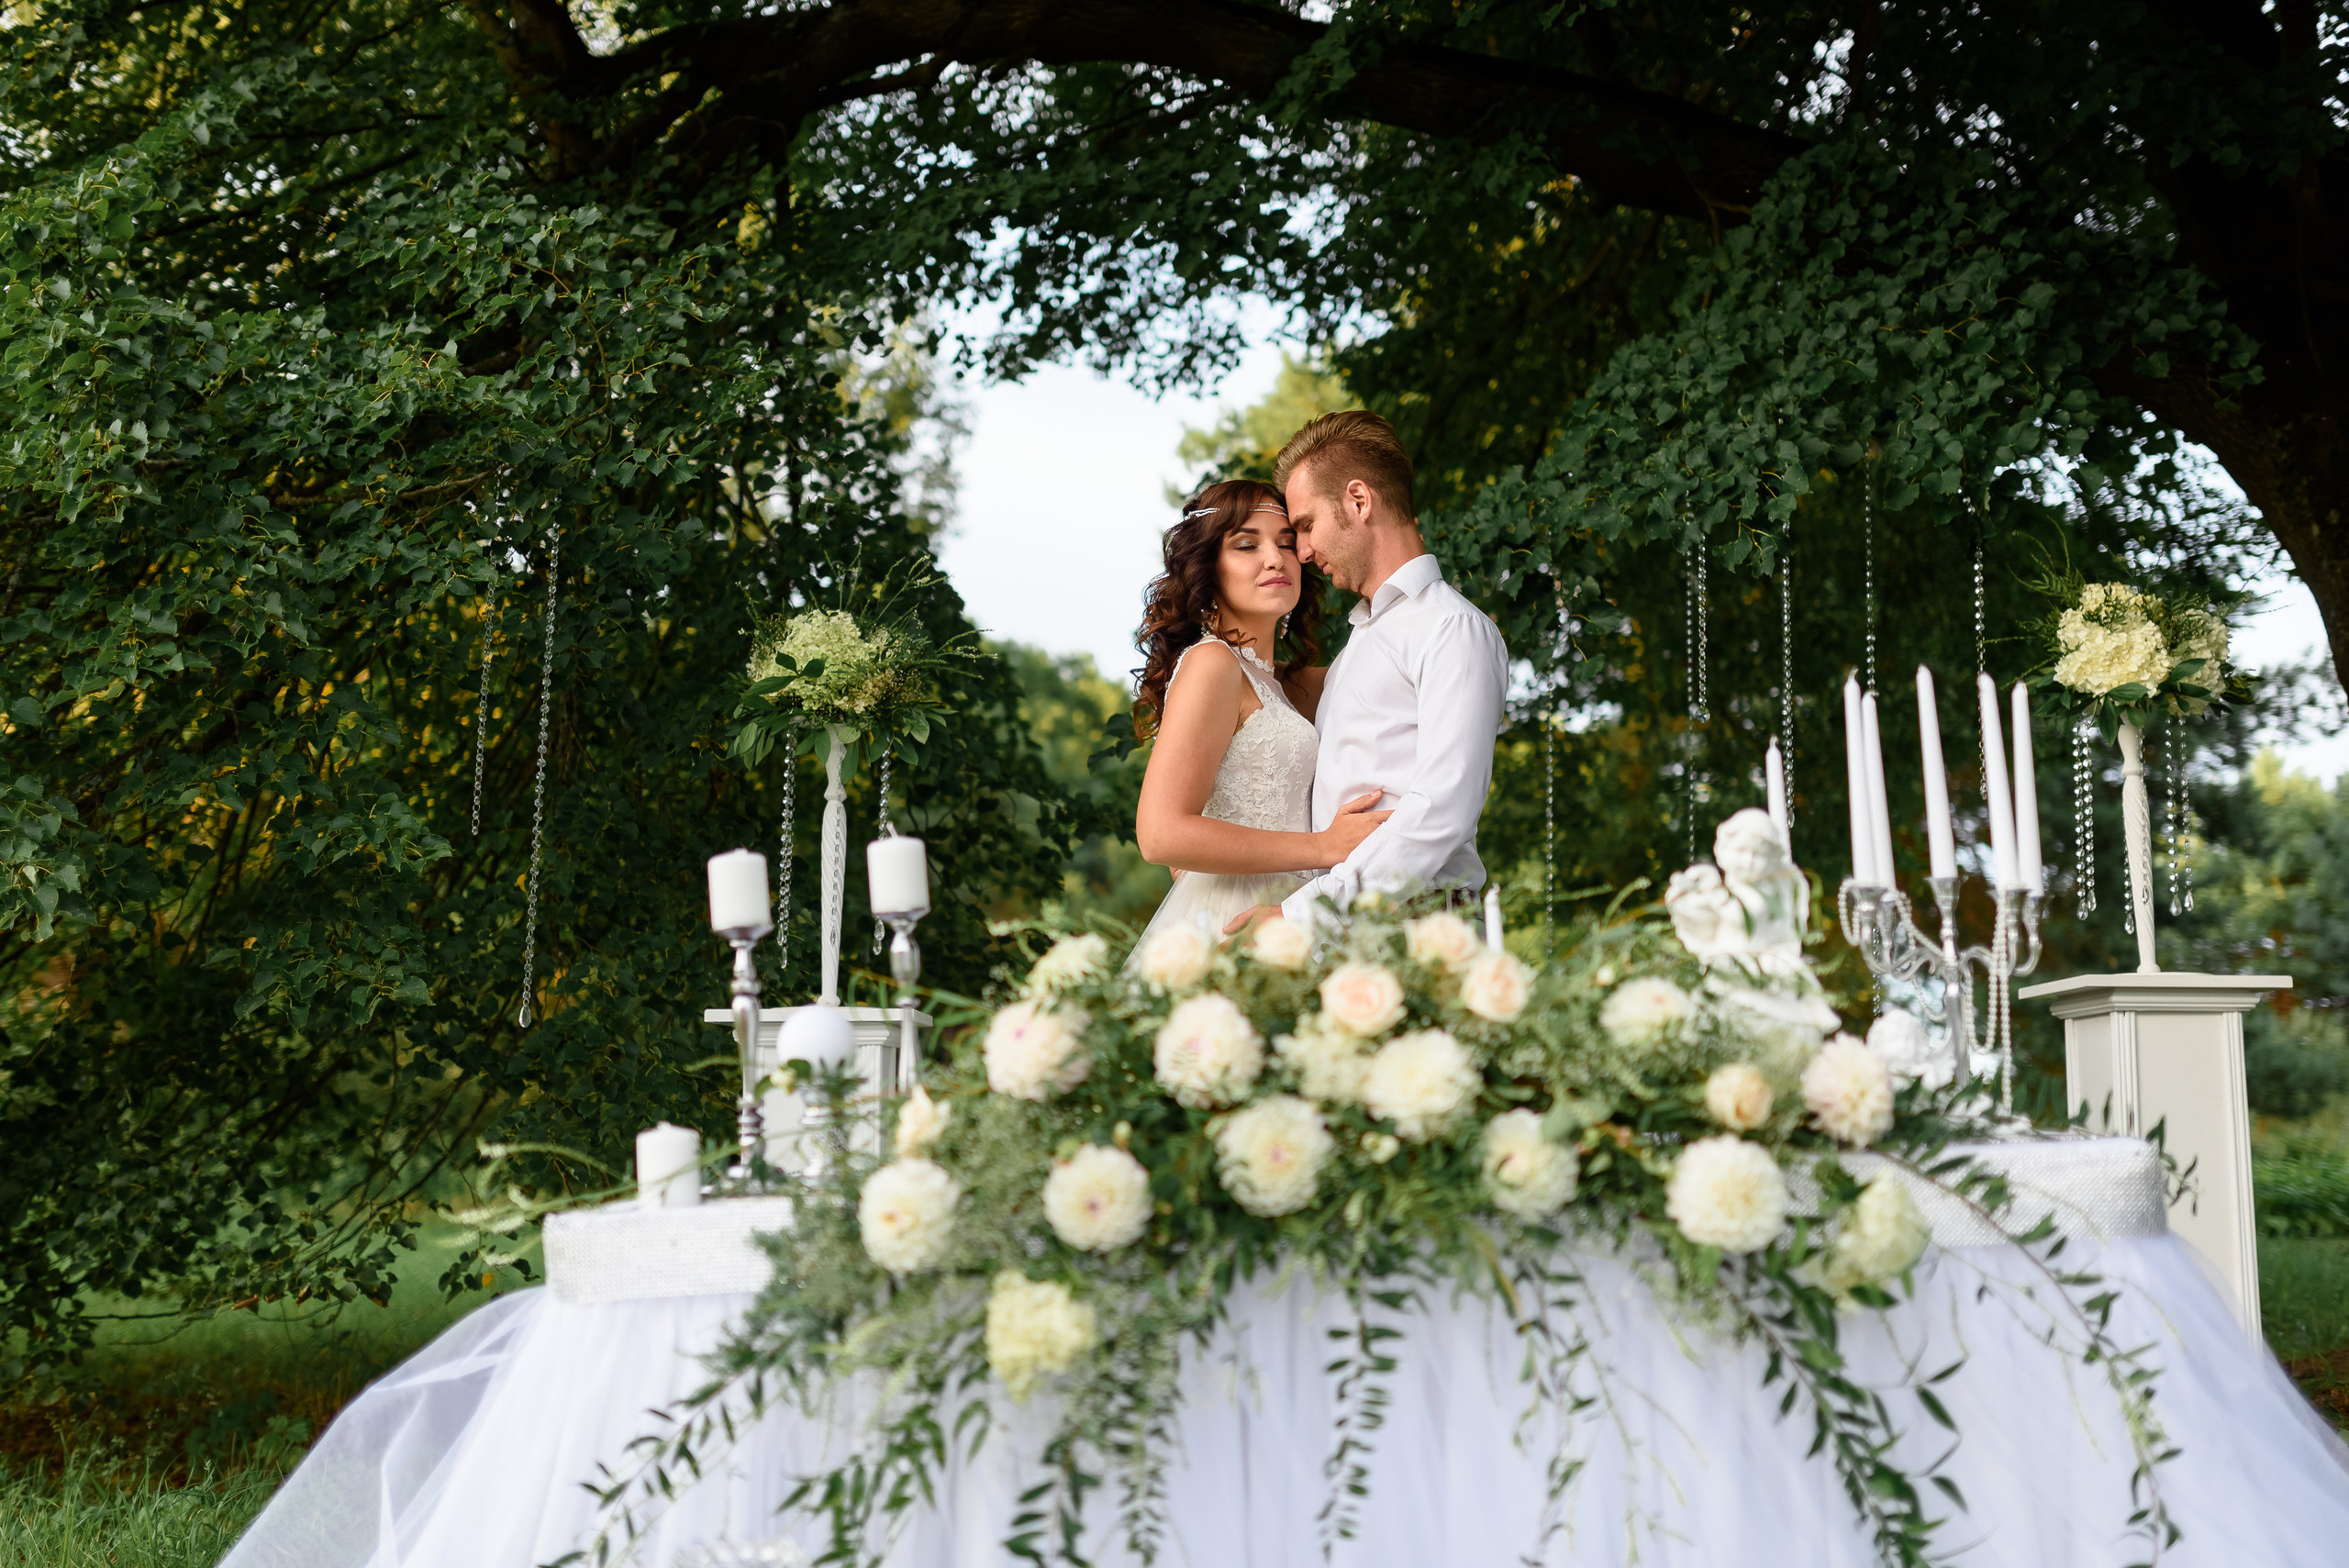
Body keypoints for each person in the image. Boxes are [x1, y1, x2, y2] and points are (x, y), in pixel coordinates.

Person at [1221, 410, 1508, 934]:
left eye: (1306, 525)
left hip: (1418, 923)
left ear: (1358, 500)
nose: (1302, 552)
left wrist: (1302, 919)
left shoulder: (1451, 628)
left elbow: (1441, 811)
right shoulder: (1362, 640)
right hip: (1351, 926)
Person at [1129, 479, 1391, 949]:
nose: (1274, 558)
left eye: (1287, 543)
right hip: (1232, 918)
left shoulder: (1292, 686)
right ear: (1208, 568)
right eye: (1246, 545)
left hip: (1297, 911)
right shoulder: (1213, 664)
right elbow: (1159, 833)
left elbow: (1395, 672)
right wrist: (1324, 847)